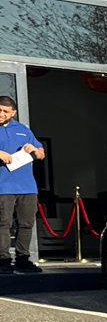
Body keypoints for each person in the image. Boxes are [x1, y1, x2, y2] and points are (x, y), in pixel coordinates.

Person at [0, 95, 45, 275]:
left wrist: (34, 149)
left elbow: (41, 153)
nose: (1, 114)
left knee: (26, 224)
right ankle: (3, 260)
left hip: (27, 186)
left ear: (14, 113)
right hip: (3, 187)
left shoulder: (23, 129)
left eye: (5, 111)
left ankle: (23, 259)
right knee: (3, 224)